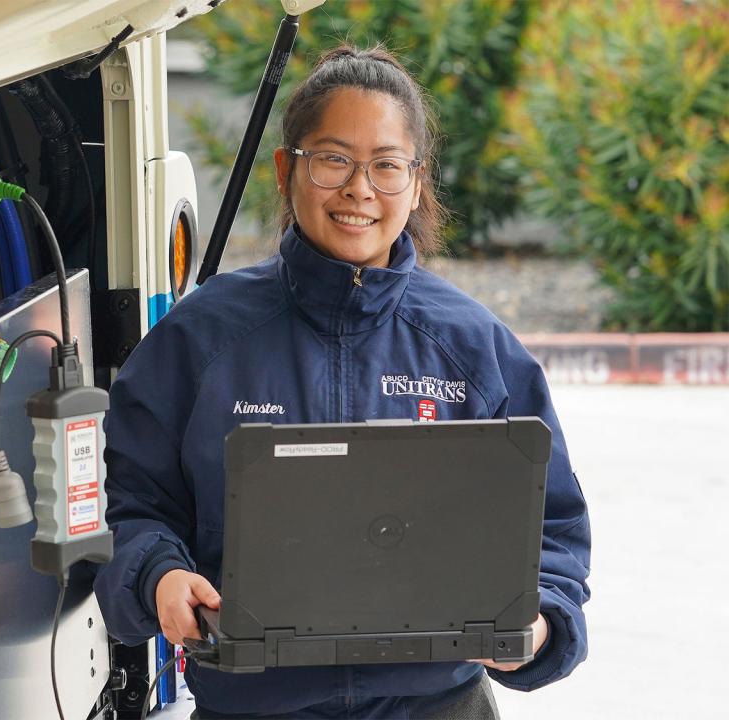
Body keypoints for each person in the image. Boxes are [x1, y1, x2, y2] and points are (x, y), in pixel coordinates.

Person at [92, 45, 591, 718]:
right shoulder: (199, 340)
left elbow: (550, 530)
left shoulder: (473, 348)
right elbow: (130, 505)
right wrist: (160, 576)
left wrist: (541, 624)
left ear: (416, 184)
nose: (360, 189)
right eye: (333, 159)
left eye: (387, 166)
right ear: (283, 170)